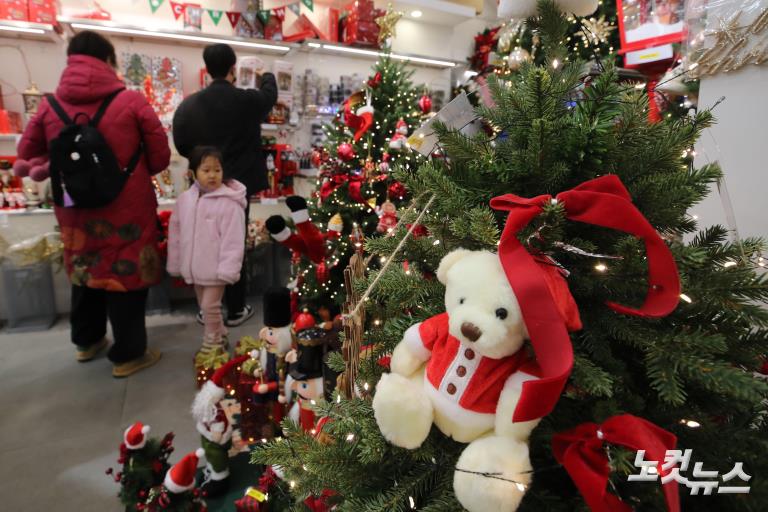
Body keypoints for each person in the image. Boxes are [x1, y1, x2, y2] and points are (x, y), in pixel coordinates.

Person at [17, 31, 169, 377]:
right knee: (125, 274)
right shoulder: (132, 101)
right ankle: (129, 354)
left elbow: (27, 152)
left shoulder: (48, 105)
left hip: (75, 209)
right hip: (126, 207)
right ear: (109, 61)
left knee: (85, 268)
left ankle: (87, 342)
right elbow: (159, 157)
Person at [172, 43, 277, 327]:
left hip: (202, 190)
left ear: (207, 70)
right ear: (233, 69)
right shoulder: (245, 100)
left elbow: (180, 143)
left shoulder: (188, 106)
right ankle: (234, 309)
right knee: (233, 246)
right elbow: (270, 96)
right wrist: (266, 73)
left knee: (203, 243)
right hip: (236, 188)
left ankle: (208, 307)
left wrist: (203, 167)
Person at [166, 146, 246, 352]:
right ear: (193, 173)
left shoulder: (229, 203)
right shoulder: (185, 200)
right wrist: (176, 262)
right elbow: (176, 233)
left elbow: (234, 240)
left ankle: (212, 343)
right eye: (206, 170)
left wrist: (228, 269)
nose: (212, 175)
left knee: (210, 307)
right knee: (205, 305)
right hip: (195, 268)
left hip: (216, 269)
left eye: (217, 170)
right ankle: (222, 333)